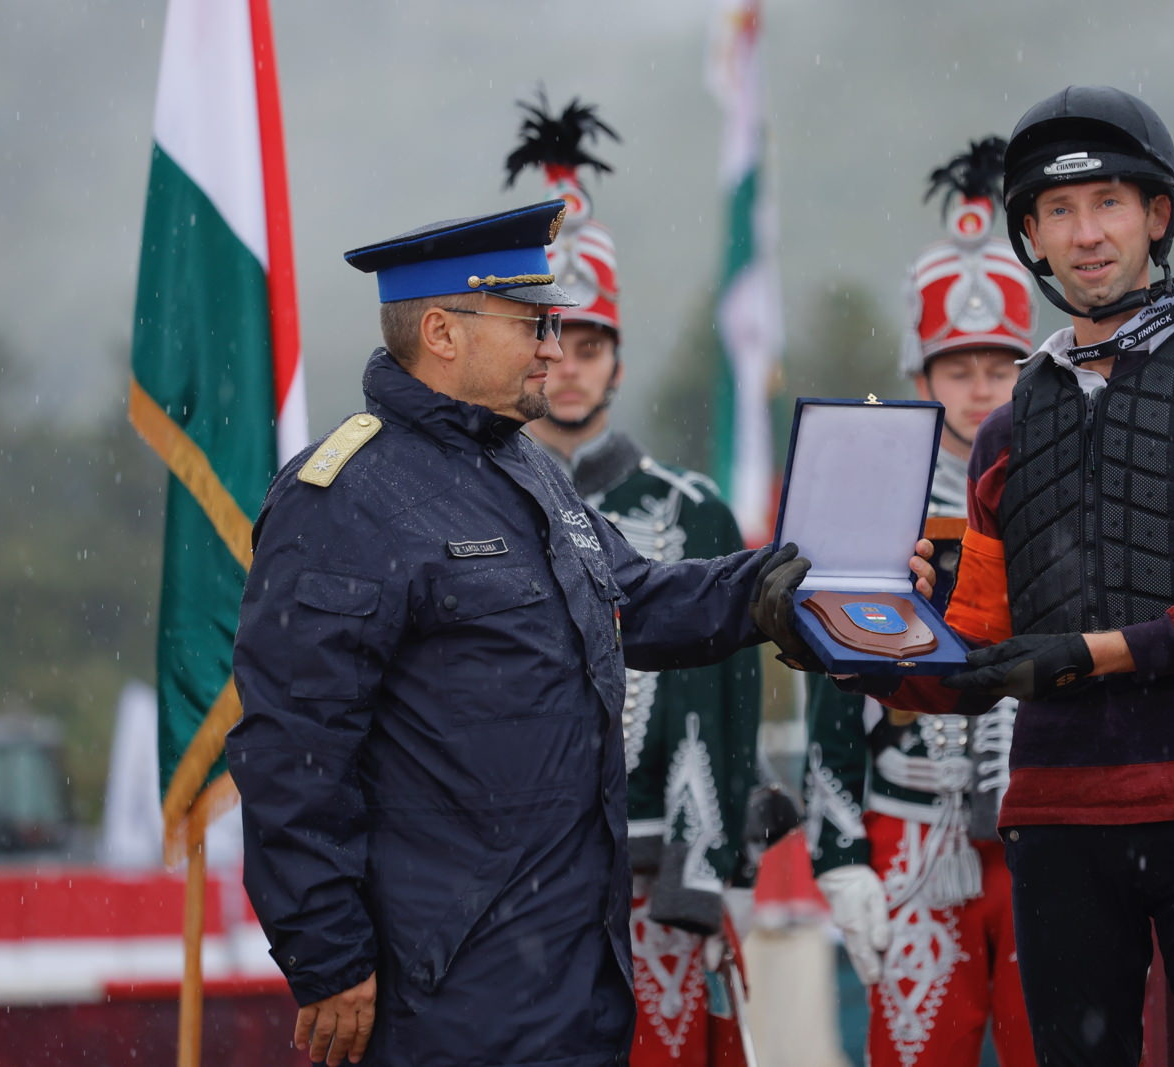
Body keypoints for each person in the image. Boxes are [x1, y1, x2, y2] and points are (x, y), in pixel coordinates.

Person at [763, 86, 1174, 1065]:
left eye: (1108, 202)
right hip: (1057, 822)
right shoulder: (1006, 431)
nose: (1086, 233)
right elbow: (976, 657)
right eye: (1058, 210)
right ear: (1030, 234)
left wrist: (1095, 652)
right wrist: (845, 634)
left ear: (1158, 214)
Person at [227, 200, 778, 1067]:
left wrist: (783, 587)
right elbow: (292, 749)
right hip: (444, 991)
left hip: (574, 977)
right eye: (533, 323)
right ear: (442, 332)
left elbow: (635, 599)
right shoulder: (342, 498)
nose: (554, 348)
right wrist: (327, 952)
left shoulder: (528, 469)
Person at [507, 93, 764, 1065]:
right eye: (553, 342)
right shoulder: (466, 504)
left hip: (662, 867)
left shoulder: (693, 510)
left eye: (592, 346)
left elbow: (731, 696)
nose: (569, 368)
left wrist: (718, 854)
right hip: (517, 872)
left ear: (617, 361)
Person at [802, 136, 1036, 1067]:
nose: (980, 389)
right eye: (957, 367)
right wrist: (838, 850)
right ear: (920, 377)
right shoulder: (871, 498)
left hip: (1045, 822)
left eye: (999, 366)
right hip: (911, 826)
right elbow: (831, 685)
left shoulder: (1072, 495)